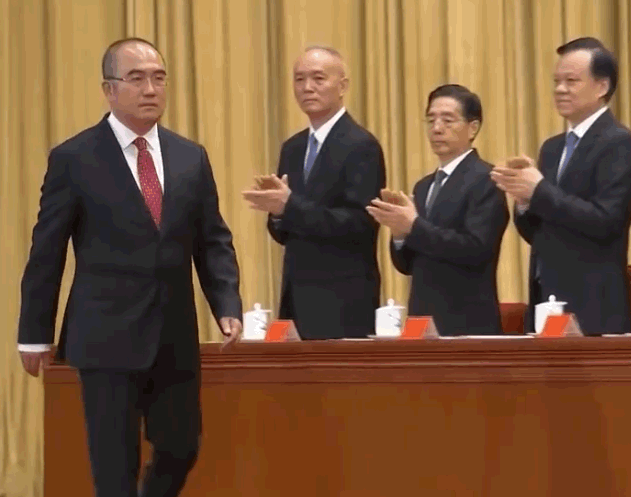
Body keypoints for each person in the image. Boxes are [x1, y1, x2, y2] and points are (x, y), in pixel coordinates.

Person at [16, 38, 243, 497]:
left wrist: (226, 304)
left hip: (174, 335)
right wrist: (33, 334)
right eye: (137, 78)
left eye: (159, 77)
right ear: (109, 89)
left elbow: (212, 240)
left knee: (181, 448)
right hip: (104, 336)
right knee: (114, 466)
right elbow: (47, 250)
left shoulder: (190, 157)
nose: (150, 88)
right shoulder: (74, 158)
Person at [242, 46, 386, 339]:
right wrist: (277, 214)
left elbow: (360, 224)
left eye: (318, 78)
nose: (307, 87)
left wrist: (289, 206)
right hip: (296, 298)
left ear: (342, 86)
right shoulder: (292, 148)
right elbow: (284, 233)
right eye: (299, 79)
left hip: (344, 300)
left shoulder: (362, 145)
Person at [492, 37, 631, 334]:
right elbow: (540, 233)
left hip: (593, 303)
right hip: (546, 295)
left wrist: (539, 190)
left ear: (601, 87)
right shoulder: (552, 148)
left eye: (571, 81)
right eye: (556, 81)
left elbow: (607, 221)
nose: (559, 89)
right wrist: (524, 201)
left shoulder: (620, 143)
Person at [367, 84, 509, 336]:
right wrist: (399, 234)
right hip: (422, 321)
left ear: (473, 128)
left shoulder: (486, 179)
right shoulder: (423, 187)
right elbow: (407, 265)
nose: (437, 128)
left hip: (467, 323)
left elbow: (476, 249)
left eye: (448, 120)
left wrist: (413, 226)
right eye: (431, 120)